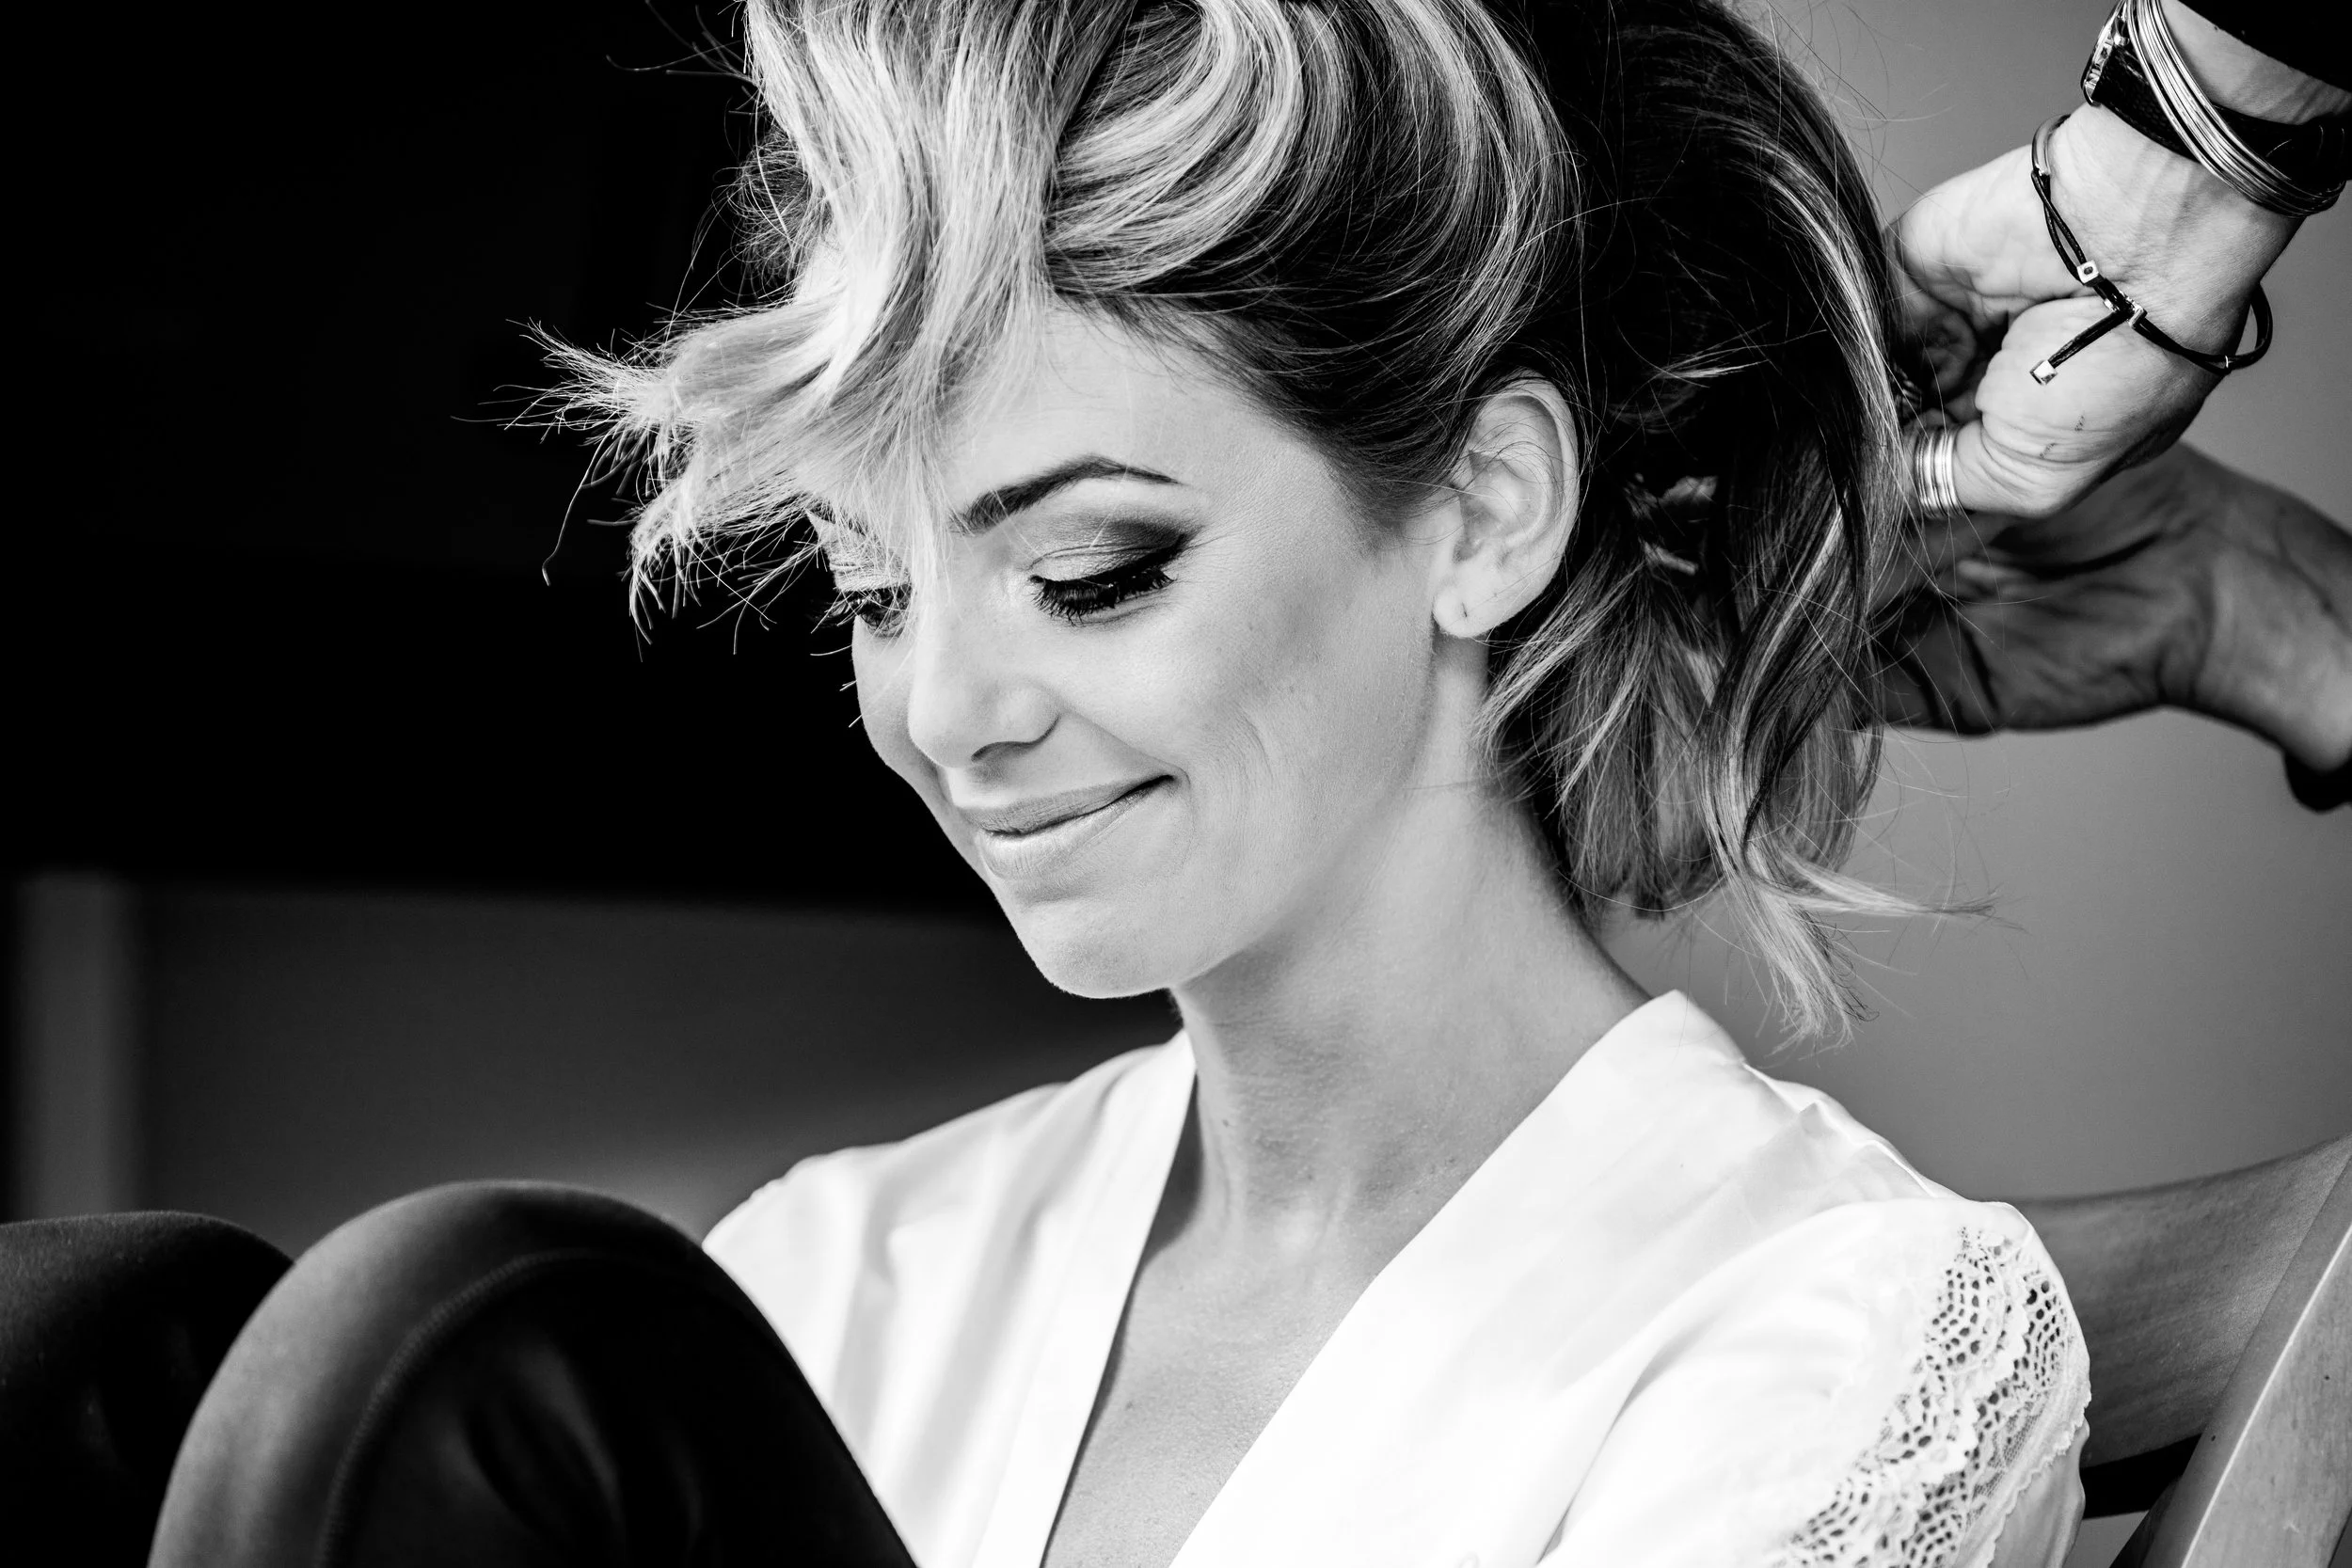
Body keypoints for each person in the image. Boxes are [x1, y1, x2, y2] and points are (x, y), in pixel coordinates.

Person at [6, 3, 2344, 1565]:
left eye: (1093, 569)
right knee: (99, 1339)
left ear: (1481, 509)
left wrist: (2271, 620)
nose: (948, 714)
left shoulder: (1817, 1338)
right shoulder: (840, 1267)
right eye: (871, 592)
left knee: (458, 1329)